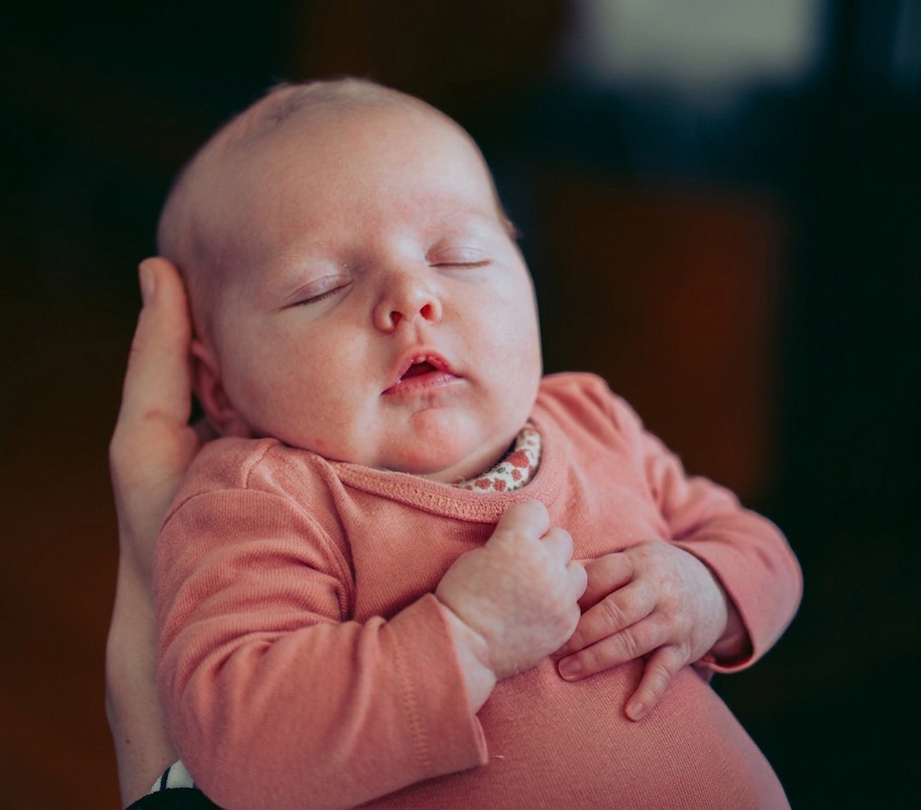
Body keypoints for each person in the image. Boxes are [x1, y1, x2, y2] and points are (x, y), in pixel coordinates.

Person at [107, 79, 802, 810]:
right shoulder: (266, 499)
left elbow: (761, 549)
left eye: (461, 257)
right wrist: (463, 637)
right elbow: (237, 740)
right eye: (321, 286)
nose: (412, 298)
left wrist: (705, 588)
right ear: (219, 391)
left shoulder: (591, 418)